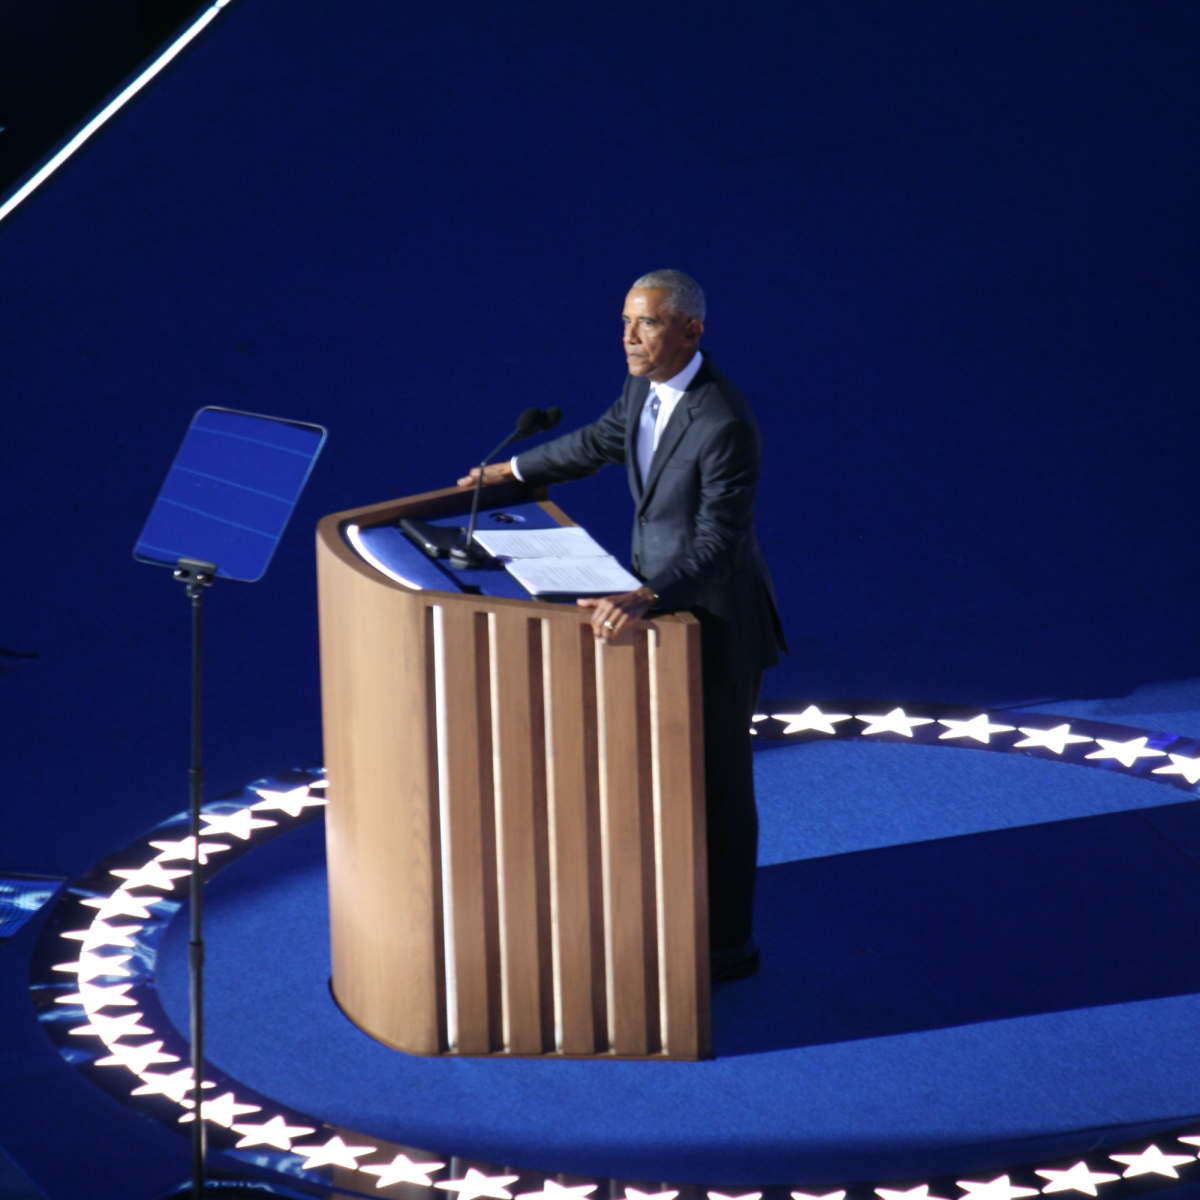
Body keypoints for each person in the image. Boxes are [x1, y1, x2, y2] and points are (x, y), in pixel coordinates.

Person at [457, 269, 786, 982]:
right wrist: (510, 469)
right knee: (670, 778)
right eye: (626, 322)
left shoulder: (723, 422)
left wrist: (644, 593)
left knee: (721, 790)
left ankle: (729, 943)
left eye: (648, 324)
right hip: (661, 614)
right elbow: (603, 440)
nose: (629, 338)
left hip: (715, 625)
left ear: (692, 330)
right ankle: (672, 910)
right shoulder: (643, 384)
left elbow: (717, 546)